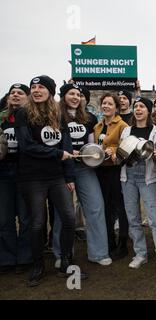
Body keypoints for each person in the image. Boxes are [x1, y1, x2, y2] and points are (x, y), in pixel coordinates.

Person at [14, 75, 87, 286]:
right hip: (32, 178)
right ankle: (38, 266)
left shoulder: (58, 114)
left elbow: (65, 145)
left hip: (56, 177)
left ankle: (65, 262)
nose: (36, 90)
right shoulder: (23, 113)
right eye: (33, 87)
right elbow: (26, 146)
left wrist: (70, 175)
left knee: (69, 219)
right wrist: (56, 155)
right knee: (38, 223)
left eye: (41, 87)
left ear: (50, 91)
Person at [52, 83, 112, 266]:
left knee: (95, 207)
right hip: (61, 169)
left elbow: (92, 144)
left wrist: (98, 152)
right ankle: (61, 254)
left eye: (78, 94)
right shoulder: (54, 116)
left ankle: (99, 253)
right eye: (71, 94)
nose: (75, 97)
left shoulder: (89, 118)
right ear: (63, 96)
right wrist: (67, 152)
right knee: (63, 212)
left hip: (84, 168)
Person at [120, 96, 156, 277]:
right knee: (133, 217)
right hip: (128, 177)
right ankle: (140, 253)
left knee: (155, 219)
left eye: (142, 106)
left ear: (149, 110)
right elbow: (122, 154)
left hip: (148, 177)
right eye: (136, 106)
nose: (138, 109)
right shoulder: (126, 131)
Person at [0, 83, 32, 274]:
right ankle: (7, 258)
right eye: (13, 93)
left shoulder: (31, 118)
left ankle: (25, 258)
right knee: (4, 219)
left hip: (25, 172)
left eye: (20, 93)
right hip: (3, 172)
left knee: (26, 217)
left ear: (27, 98)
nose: (16, 95)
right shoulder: (1, 118)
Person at [93, 92, 129, 260]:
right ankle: (109, 242)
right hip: (101, 171)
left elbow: (126, 148)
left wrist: (113, 150)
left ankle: (123, 243)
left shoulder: (122, 126)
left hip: (116, 170)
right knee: (105, 207)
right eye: (104, 103)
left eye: (110, 104)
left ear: (116, 107)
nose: (106, 106)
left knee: (120, 207)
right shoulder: (97, 127)